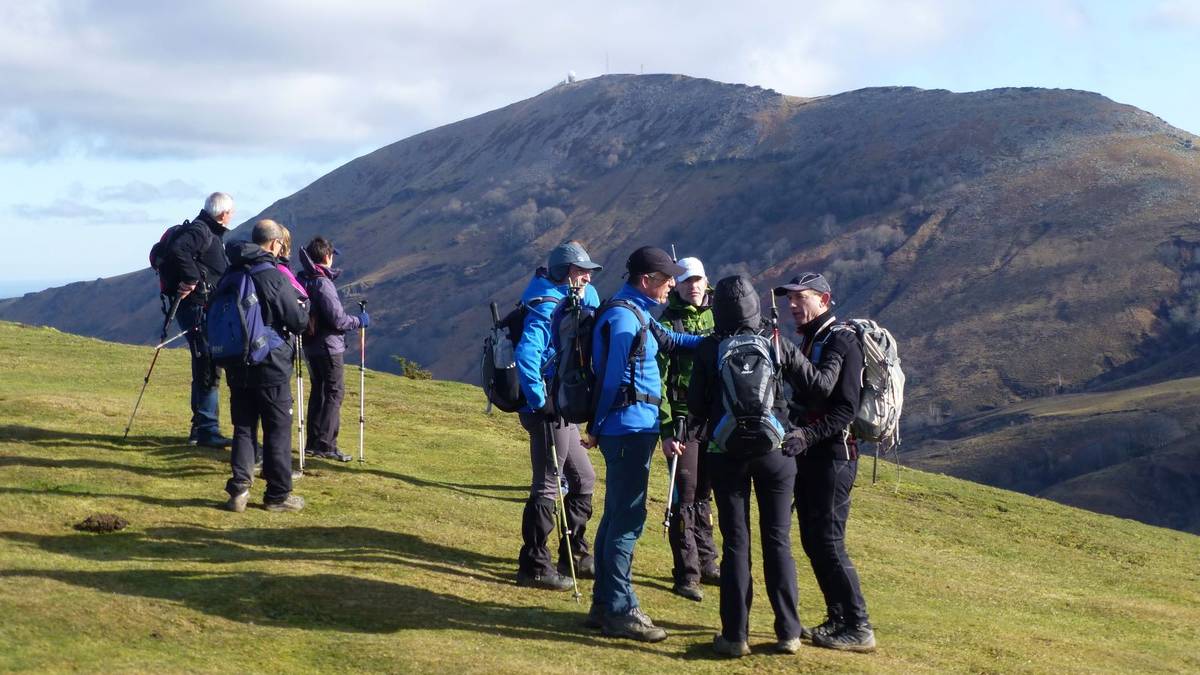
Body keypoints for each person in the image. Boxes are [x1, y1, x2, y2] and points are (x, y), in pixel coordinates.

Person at [688, 274, 842, 657]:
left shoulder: (710, 348)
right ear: (756, 305)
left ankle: (734, 636)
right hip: (776, 452)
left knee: (736, 543)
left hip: (726, 455)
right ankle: (788, 632)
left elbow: (694, 407)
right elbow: (818, 387)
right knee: (778, 540)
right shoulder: (775, 343)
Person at [582, 246, 701, 643]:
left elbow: (673, 342)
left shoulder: (638, 314)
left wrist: (721, 339)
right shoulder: (623, 318)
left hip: (632, 428)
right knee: (628, 520)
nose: (673, 286)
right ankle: (620, 608)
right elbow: (611, 379)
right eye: (668, 280)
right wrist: (596, 426)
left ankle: (603, 605)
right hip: (628, 430)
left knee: (616, 516)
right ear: (647, 280)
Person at [774, 272, 876, 653]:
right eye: (790, 298)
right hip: (815, 455)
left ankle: (859, 626)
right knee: (815, 541)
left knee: (829, 542)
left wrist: (808, 436)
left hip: (835, 456)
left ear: (825, 300)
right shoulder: (812, 340)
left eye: (802, 297)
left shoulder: (842, 341)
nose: (793, 304)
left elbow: (846, 407)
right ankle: (838, 618)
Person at [512, 240, 602, 591]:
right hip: (548, 408)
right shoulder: (546, 303)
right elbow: (527, 355)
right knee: (548, 483)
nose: (587, 278)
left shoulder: (565, 297)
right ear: (566, 273)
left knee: (584, 478)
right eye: (581, 272)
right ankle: (534, 564)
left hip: (560, 404)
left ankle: (573, 552)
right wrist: (539, 401)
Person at [221, 219, 309, 512]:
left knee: (243, 427)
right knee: (277, 429)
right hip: (270, 364)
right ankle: (277, 495)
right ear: (274, 244)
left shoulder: (231, 270)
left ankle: (238, 491)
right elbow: (297, 321)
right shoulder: (271, 275)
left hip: (236, 362)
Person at [655, 256, 720, 602]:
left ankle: (708, 563)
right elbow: (659, 380)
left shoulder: (719, 315)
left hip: (715, 420)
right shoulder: (667, 323)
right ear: (676, 286)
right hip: (682, 420)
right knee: (685, 493)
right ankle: (686, 572)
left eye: (697, 279)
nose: (692, 285)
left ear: (705, 280)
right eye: (685, 281)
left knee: (705, 493)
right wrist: (666, 429)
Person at [163, 192, 235, 448]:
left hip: (200, 307)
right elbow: (177, 250)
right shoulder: (202, 231)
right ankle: (206, 429)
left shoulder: (205, 230)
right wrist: (192, 279)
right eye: (231, 212)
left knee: (205, 363)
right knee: (207, 364)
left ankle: (201, 427)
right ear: (223, 213)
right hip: (198, 308)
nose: (232, 216)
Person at [297, 237, 368, 463]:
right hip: (328, 346)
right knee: (334, 392)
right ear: (327, 256)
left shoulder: (304, 279)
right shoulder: (322, 282)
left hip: (310, 344)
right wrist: (359, 321)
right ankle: (326, 445)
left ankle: (313, 443)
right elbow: (337, 319)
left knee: (319, 391)